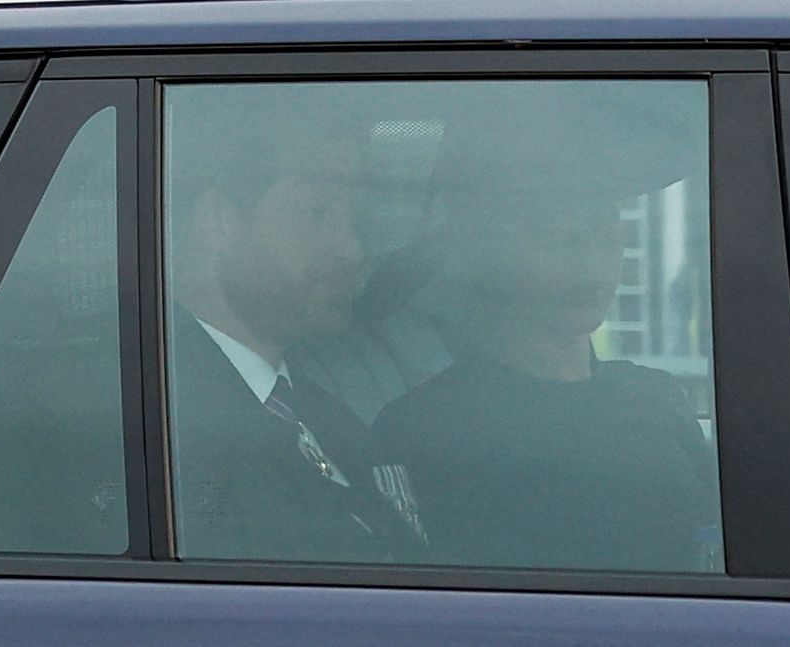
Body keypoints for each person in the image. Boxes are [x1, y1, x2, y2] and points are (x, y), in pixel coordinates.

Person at [371, 86, 722, 573]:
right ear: (488, 253)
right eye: (555, 237)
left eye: (604, 230)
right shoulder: (422, 428)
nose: (588, 262)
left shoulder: (656, 396)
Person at [166, 114, 424, 563]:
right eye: (319, 211)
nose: (352, 249)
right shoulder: (135, 417)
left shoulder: (325, 413)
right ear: (220, 221)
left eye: (354, 220)